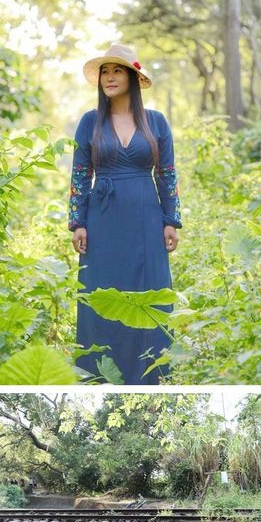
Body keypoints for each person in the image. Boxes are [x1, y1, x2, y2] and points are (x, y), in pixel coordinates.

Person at [68, 44, 181, 384]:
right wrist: (78, 223)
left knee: (148, 289)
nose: (110, 77)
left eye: (117, 71)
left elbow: (167, 173)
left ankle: (151, 373)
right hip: (102, 220)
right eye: (105, 71)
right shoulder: (90, 122)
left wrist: (170, 219)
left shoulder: (156, 122)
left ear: (133, 77)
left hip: (147, 216)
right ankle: (98, 372)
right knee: (101, 290)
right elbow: (79, 174)